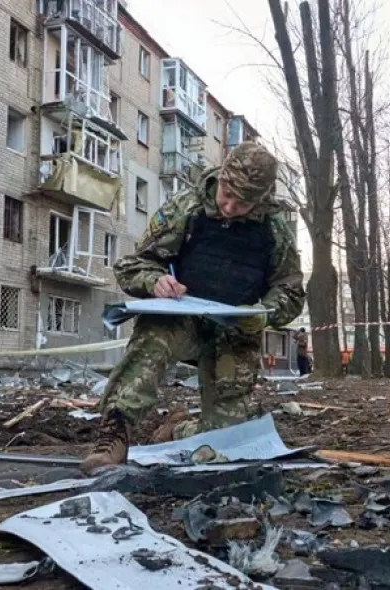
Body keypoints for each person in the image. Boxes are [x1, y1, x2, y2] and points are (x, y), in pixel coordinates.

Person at [82, 142, 306, 474]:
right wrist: (155, 280)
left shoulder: (275, 229)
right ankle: (115, 432)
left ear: (259, 200)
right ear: (221, 178)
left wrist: (265, 313)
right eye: (226, 194)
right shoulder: (186, 209)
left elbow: (290, 289)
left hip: (234, 334)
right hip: (182, 321)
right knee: (152, 336)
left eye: (242, 203)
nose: (229, 207)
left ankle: (179, 429)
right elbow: (132, 266)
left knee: (227, 441)